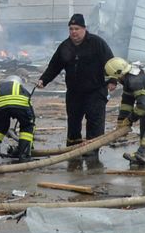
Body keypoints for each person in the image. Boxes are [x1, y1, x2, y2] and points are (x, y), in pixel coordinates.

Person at [35, 13, 114, 164]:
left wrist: (113, 80)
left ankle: (92, 152)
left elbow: (111, 62)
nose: (73, 32)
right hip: (74, 93)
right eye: (71, 29)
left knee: (94, 123)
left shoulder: (97, 43)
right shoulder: (65, 46)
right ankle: (73, 151)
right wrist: (44, 80)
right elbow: (54, 66)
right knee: (73, 122)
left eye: (77, 28)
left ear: (84, 29)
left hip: (95, 91)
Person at [0, 76, 35, 166]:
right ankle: (24, 155)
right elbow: (30, 112)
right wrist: (31, 144)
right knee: (27, 127)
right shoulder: (21, 88)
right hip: (20, 104)